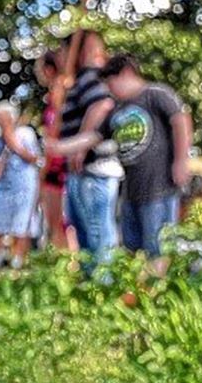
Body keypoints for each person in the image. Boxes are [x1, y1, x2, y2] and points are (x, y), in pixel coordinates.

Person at [48, 54, 193, 274]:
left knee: (158, 247)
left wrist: (181, 160)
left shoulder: (156, 95)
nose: (110, 90)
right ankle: (138, 295)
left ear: (126, 73)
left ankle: (159, 295)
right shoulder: (117, 109)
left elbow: (180, 120)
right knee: (132, 248)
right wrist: (59, 147)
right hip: (132, 191)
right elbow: (93, 137)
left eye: (111, 83)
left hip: (159, 187)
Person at [59, 32, 122, 269]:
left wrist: (79, 150)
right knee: (87, 235)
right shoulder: (80, 79)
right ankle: (91, 289)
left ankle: (103, 290)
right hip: (86, 172)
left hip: (93, 170)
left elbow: (101, 105)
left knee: (98, 235)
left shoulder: (90, 77)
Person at [0, 102, 40, 270]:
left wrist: (11, 141)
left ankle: (18, 260)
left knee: (22, 223)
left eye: (6, 118)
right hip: (2, 187)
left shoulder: (25, 134)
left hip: (24, 187)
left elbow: (33, 158)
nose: (3, 121)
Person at [35, 50, 75, 251]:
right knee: (53, 220)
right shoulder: (54, 93)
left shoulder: (61, 89)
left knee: (62, 221)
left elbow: (56, 127)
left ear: (48, 70)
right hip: (52, 161)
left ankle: (69, 260)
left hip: (60, 164)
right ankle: (62, 260)